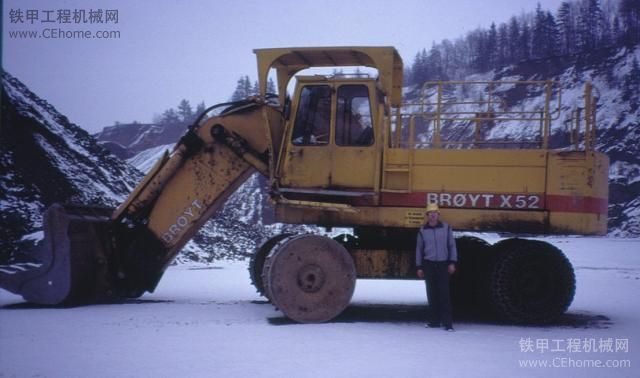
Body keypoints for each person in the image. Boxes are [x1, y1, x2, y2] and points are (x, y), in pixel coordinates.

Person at [416, 203, 458, 332]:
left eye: (435, 213)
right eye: (430, 213)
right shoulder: (423, 230)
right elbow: (419, 249)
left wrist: (452, 262)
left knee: (444, 294)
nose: (433, 215)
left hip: (443, 264)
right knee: (432, 293)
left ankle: (448, 324)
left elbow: (451, 245)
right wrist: (419, 266)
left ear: (438, 214)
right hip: (429, 264)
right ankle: (434, 321)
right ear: (427, 215)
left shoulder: (446, 228)